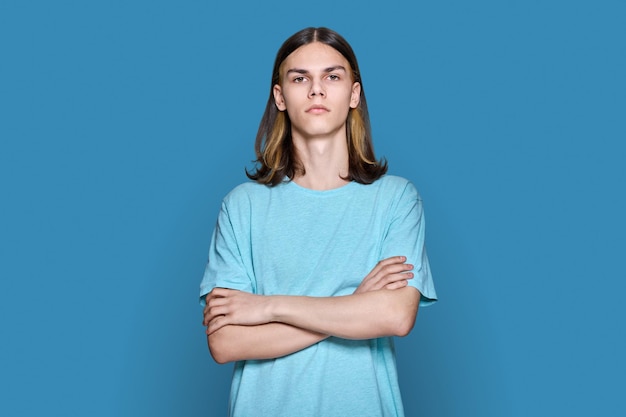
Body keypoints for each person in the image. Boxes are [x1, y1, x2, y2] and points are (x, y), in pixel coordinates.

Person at [200, 27, 437, 417]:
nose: (316, 90)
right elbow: (225, 342)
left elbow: (395, 316)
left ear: (354, 94)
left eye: (332, 76)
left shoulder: (396, 199)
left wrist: (267, 308)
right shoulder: (241, 206)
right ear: (280, 96)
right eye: (299, 78)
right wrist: (353, 307)